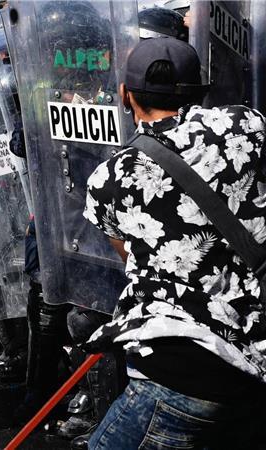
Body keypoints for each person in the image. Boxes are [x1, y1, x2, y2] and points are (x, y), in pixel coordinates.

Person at [83, 37, 266, 449]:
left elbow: (129, 253)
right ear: (199, 88)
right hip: (255, 357)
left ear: (125, 96)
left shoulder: (107, 179)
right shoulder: (248, 126)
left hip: (181, 373)